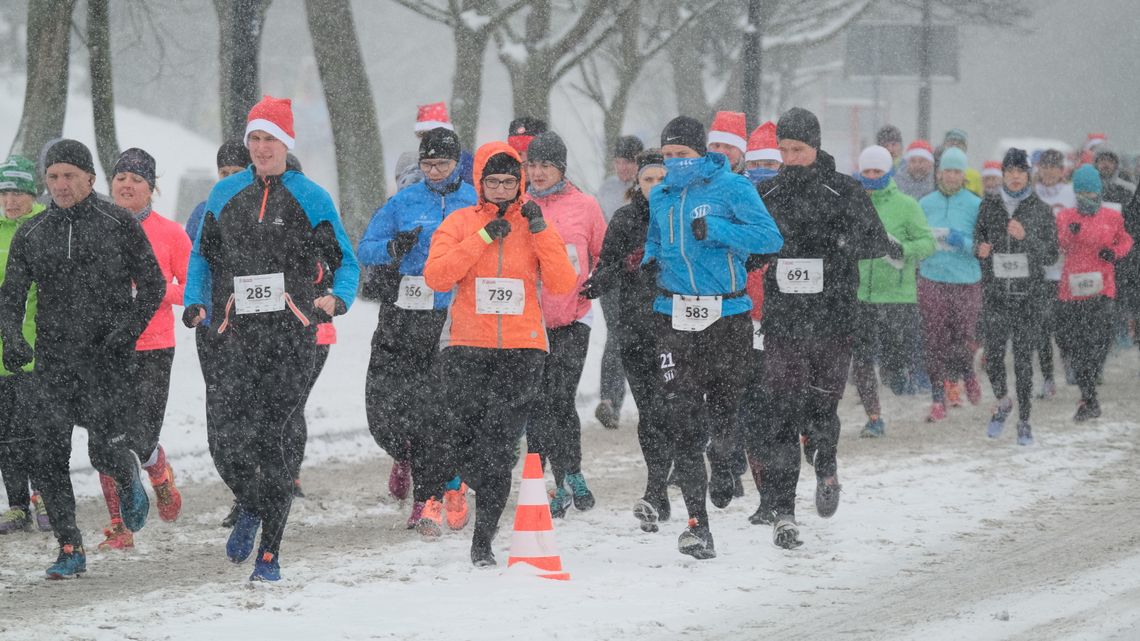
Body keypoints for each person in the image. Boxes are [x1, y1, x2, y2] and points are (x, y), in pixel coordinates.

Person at [184, 96, 360, 581]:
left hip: (289, 338)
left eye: (271, 139)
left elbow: (346, 261)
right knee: (224, 441)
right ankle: (250, 503)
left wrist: (337, 299)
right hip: (233, 336)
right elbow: (201, 257)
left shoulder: (311, 197)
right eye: (255, 139)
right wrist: (195, 301)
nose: (262, 148)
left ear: (286, 143)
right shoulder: (225, 194)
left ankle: (270, 553)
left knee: (274, 441)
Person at [0, 139, 165, 578]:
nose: (60, 184)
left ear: (90, 179)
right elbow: (11, 296)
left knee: (103, 452)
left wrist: (126, 333)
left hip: (106, 362)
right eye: (53, 177)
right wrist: (12, 338)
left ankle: (127, 474)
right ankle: (70, 547)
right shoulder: (32, 233)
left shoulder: (118, 223)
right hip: (53, 363)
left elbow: (153, 285)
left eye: (69, 176)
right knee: (47, 457)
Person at [422, 141, 577, 566]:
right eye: (494, 182)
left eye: (510, 182)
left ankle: (483, 540)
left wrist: (541, 230)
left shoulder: (535, 223)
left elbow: (563, 282)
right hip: (467, 348)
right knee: (463, 440)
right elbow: (437, 276)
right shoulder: (460, 222)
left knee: (498, 448)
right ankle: (468, 485)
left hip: (523, 350)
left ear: (520, 182)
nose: (502, 190)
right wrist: (483, 236)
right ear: (480, 183)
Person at [749, 108, 887, 549]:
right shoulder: (766, 192)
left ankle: (826, 465)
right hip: (784, 322)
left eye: (798, 149)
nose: (790, 158)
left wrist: (838, 244)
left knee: (821, 409)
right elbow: (751, 248)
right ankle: (784, 511)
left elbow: (876, 241)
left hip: (832, 319)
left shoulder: (844, 190)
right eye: (784, 149)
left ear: (816, 147)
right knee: (782, 412)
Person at [645, 116, 782, 559]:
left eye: (681, 154)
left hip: (727, 316)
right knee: (682, 418)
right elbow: (655, 241)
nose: (673, 163)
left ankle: (724, 459)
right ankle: (697, 526)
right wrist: (648, 261)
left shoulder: (733, 188)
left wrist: (719, 230)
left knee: (724, 410)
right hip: (673, 315)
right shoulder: (661, 195)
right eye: (667, 155)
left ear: (701, 152)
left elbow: (769, 237)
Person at [357, 127, 477, 532]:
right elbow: (366, 247)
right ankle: (404, 454)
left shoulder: (473, 201)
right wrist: (393, 249)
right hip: (403, 315)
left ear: (457, 163)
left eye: (442, 163)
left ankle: (433, 494)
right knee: (385, 409)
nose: (434, 171)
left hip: (452, 318)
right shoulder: (403, 202)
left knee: (437, 410)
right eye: (427, 164)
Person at [95, 148, 190, 551]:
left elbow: (192, 289)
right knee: (107, 436)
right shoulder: (97, 228)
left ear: (151, 189)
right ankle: (121, 525)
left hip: (153, 346)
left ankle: (158, 470)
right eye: (121, 178)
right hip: (106, 346)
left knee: (141, 434)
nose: (127, 185)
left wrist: (153, 290)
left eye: (137, 180)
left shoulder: (170, 233)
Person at [581, 149, 668, 531]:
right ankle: (657, 489)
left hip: (678, 330)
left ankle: (672, 481)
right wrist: (605, 277)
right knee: (650, 414)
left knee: (675, 409)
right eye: (648, 179)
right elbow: (607, 265)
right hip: (636, 329)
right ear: (638, 182)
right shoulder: (625, 218)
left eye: (662, 179)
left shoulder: (683, 216)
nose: (655, 186)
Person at [521, 131, 606, 518]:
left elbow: (604, 253)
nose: (537, 173)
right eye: (532, 165)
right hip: (529, 321)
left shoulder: (585, 206)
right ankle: (555, 480)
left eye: (546, 165)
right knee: (537, 402)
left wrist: (598, 279)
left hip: (573, 316)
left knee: (559, 396)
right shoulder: (518, 206)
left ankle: (568, 475)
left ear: (562, 168)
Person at [184, 139, 251, 528]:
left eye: (236, 173)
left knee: (252, 412)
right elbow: (195, 263)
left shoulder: (267, 210)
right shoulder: (203, 211)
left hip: (257, 329)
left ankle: (257, 494)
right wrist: (195, 303)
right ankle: (243, 490)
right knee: (222, 418)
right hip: (214, 329)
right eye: (222, 173)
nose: (228, 180)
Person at [974, 148, 1058, 445]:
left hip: (1028, 297)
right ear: (1002, 174)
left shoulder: (1041, 209)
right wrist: (980, 249)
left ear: (1028, 174)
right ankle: (1003, 401)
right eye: (1009, 171)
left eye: (1020, 171)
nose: (1014, 176)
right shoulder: (989, 205)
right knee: (993, 357)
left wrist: (1027, 238)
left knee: (1023, 361)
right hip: (996, 294)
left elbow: (1051, 255)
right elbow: (978, 240)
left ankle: (1024, 421)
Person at [850, 146, 934, 437]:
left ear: (889, 172)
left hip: (897, 297)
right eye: (867, 171)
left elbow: (927, 243)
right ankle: (874, 417)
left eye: (878, 171)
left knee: (893, 363)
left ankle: (897, 376)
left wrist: (903, 249)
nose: (872, 176)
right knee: (862, 362)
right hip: (860, 295)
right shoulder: (852, 204)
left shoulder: (907, 205)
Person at [1055, 164, 1132, 421]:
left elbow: (1126, 240)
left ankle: (1089, 393)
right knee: (1073, 344)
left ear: (1099, 192)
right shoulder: (1065, 217)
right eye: (1082, 193)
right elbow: (1060, 245)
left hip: (1102, 288)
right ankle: (1088, 396)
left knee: (1099, 342)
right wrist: (1070, 233)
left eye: (1091, 193)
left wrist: (1114, 253)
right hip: (1072, 291)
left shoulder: (1112, 217)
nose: (1087, 198)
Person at [0, 155, 51, 535]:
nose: (10, 200)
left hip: (38, 350)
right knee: (7, 436)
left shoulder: (45, 227)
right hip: (2, 352)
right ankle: (17, 506)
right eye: (4, 193)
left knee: (39, 430)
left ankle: (46, 496)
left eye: (17, 192)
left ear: (33, 194)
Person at [917, 147, 984, 422]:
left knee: (962, 337)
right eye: (948, 171)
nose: (952, 176)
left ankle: (968, 374)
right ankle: (937, 399)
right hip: (932, 277)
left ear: (964, 175)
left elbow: (984, 247)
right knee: (934, 340)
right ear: (939, 173)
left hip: (965, 279)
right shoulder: (925, 204)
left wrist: (963, 242)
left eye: (957, 171)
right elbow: (917, 237)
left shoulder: (975, 205)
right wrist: (926, 243)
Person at [594, 135, 643, 430]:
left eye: (629, 162)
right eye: (619, 162)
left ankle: (645, 399)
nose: (623, 168)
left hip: (643, 275)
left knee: (636, 337)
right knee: (617, 333)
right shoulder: (606, 190)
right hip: (613, 273)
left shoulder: (649, 187)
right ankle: (609, 400)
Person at [1033, 149, 1077, 399]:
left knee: (1064, 325)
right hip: (1039, 272)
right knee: (1041, 327)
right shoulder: (1032, 194)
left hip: (1066, 270)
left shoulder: (1071, 194)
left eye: (1054, 167)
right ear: (1039, 169)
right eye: (1045, 167)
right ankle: (1048, 378)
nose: (1049, 172)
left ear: (1062, 170)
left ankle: (1069, 359)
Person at [941, 128, 983, 197]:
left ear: (965, 148)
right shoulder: (934, 170)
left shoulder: (974, 176)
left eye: (959, 145)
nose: (955, 148)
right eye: (951, 144)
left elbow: (979, 199)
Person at [744, 121, 782, 185]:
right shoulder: (735, 186)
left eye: (769, 164)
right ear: (746, 164)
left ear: (781, 164)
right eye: (754, 164)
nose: (761, 169)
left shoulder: (790, 188)